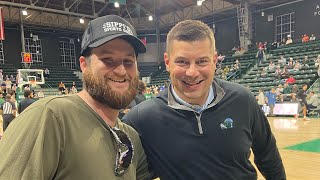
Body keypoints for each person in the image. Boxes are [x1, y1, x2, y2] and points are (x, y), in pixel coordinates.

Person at [123, 20, 286, 180]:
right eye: (182, 62)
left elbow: (268, 154)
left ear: (214, 60)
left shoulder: (243, 100)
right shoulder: (142, 118)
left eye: (202, 61)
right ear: (167, 62)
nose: (192, 72)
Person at [0, 15, 152, 180]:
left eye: (129, 61)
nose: (121, 71)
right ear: (84, 65)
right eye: (108, 60)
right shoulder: (49, 117)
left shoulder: (131, 137)